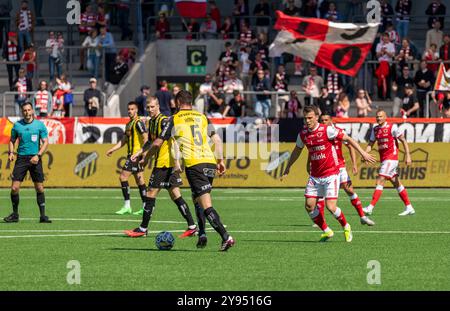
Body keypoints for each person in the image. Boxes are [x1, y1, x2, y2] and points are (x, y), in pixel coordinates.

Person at [132, 90, 235, 251]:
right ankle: (201, 233)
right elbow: (216, 139)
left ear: (178, 103)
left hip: (195, 164)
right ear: (191, 103)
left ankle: (226, 236)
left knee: (206, 205)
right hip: (210, 162)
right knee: (197, 199)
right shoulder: (202, 117)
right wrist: (220, 160)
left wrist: (145, 158)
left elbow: (158, 143)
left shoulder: (175, 118)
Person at [281, 106, 376, 242]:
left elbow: (348, 140)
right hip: (315, 176)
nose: (307, 121)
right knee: (309, 206)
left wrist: (364, 153)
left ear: (316, 117)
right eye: (305, 118)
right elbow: (297, 150)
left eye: (310, 118)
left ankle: (346, 225)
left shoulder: (327, 130)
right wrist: (288, 166)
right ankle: (327, 230)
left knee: (330, 207)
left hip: (331, 174)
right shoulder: (303, 134)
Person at [124, 97, 198, 238]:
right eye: (148, 107)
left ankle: (143, 228)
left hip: (163, 163)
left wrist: (147, 158)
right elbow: (151, 141)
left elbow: (169, 141)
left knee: (150, 193)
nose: (150, 109)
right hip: (167, 164)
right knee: (175, 194)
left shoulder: (164, 120)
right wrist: (139, 153)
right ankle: (192, 226)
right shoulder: (152, 122)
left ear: (158, 106)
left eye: (153, 107)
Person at [317, 114, 375, 226]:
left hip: (340, 167)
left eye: (326, 120)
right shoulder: (319, 134)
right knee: (322, 194)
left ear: (331, 120)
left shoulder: (337, 131)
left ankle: (362, 217)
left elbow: (350, 146)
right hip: (327, 168)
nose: (324, 122)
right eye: (322, 120)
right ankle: (321, 220)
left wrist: (354, 164)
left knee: (350, 191)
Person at [4, 102, 51, 223]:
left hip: (35, 158)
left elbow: (45, 142)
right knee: (14, 188)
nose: (27, 112)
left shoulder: (39, 125)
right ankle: (15, 215)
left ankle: (43, 216)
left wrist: (38, 155)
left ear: (32, 111)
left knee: (39, 188)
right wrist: (11, 153)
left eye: (29, 110)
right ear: (22, 112)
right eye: (25, 110)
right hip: (21, 159)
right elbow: (12, 140)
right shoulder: (17, 126)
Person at [363, 109, 415, 216]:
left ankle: (370, 207)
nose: (378, 118)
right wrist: (365, 154)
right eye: (377, 117)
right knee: (396, 182)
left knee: (380, 180)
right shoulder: (375, 129)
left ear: (385, 117)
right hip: (384, 160)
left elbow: (403, 140)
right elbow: (370, 144)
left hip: (391, 159)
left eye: (381, 116)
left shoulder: (392, 127)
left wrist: (408, 155)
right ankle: (409, 207)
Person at [106, 102, 148, 215]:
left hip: (135, 156)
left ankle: (127, 205)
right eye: (128, 109)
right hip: (133, 155)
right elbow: (123, 141)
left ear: (137, 110)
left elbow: (145, 138)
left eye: (132, 109)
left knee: (123, 177)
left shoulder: (138, 123)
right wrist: (112, 149)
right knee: (140, 181)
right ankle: (145, 207)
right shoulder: (129, 124)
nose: (130, 111)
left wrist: (144, 154)